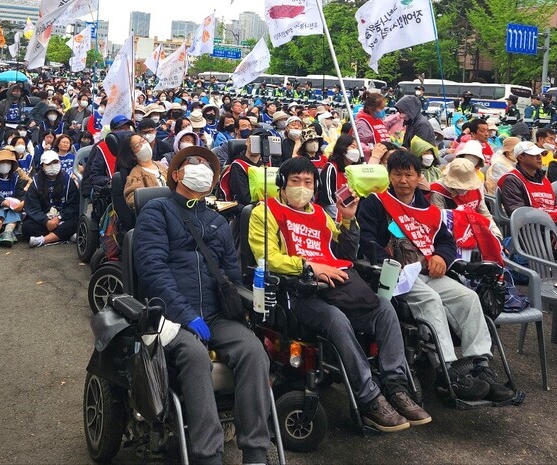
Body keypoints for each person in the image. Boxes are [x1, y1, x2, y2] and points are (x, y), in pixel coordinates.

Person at [250, 157, 429, 431]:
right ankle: (369, 397)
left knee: (384, 309)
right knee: (336, 320)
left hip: (336, 286)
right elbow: (268, 257)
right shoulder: (265, 212)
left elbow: (343, 253)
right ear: (281, 185)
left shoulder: (321, 214)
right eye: (295, 181)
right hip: (298, 293)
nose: (302, 187)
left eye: (308, 182)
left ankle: (396, 386)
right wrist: (309, 265)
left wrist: (348, 221)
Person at [134, 145, 273, 465]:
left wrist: (248, 302)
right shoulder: (157, 212)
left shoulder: (217, 221)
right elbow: (152, 270)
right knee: (195, 354)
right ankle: (208, 455)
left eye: (207, 165)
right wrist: (186, 315)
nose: (201, 167)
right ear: (177, 173)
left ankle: (254, 451)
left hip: (214, 315)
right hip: (169, 318)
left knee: (253, 350)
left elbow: (231, 275)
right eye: (192, 162)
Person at [357, 150, 511, 402]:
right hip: (398, 274)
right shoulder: (376, 202)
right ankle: (447, 370)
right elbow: (365, 239)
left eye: (409, 175)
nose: (403, 180)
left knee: (468, 297)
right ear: (390, 176)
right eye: (397, 174)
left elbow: (446, 242)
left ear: (419, 177)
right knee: (430, 299)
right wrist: (391, 261)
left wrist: (441, 256)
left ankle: (479, 364)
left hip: (429, 269)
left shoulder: (428, 208)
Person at [497, 141, 557, 226]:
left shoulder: (544, 179)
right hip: (534, 232)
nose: (539, 158)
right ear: (521, 157)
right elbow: (519, 214)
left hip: (555, 225)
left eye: (539, 154)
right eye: (534, 155)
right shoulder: (512, 180)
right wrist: (552, 230)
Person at [24, 150, 80, 248]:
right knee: (27, 227)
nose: (52, 166)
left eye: (55, 162)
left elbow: (74, 205)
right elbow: (32, 207)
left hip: (63, 218)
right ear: (42, 166)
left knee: (76, 222)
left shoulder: (68, 181)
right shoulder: (36, 183)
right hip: (44, 220)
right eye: (48, 164)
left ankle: (43, 240)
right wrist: (46, 221)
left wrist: (59, 218)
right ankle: (63, 235)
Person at [0, 148, 24, 247]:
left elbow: (20, 193)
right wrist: (3, 202)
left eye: (7, 162)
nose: (4, 164)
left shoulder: (15, 178)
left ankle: (8, 231)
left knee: (14, 210)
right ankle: (7, 231)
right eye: (1, 162)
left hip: (13, 208)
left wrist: (22, 202)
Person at [123, 134, 167, 208]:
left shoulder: (160, 165)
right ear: (132, 155)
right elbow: (133, 200)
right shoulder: (136, 174)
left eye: (143, 141)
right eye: (138, 145)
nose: (144, 145)